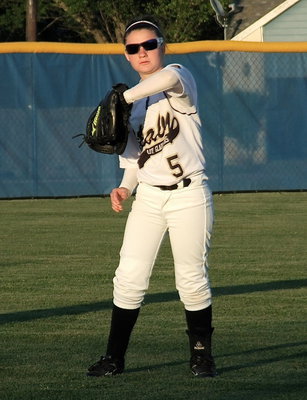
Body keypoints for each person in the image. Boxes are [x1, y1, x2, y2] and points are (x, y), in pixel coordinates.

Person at [87, 16, 217, 378]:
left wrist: (122, 96)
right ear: (126, 55)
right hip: (148, 200)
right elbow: (134, 160)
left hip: (189, 195)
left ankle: (202, 356)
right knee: (128, 277)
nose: (142, 52)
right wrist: (125, 187)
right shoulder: (131, 107)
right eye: (133, 48)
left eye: (149, 44)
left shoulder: (178, 78)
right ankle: (114, 358)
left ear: (162, 46)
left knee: (190, 279)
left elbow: (167, 78)